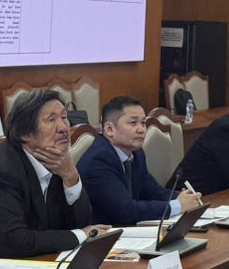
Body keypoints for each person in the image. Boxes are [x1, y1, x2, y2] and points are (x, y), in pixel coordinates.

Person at [0, 90, 96, 265]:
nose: (63, 128)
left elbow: (81, 223)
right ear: (25, 133)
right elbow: (14, 241)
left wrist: (71, 178)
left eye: (64, 117)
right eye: (51, 120)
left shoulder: (56, 162)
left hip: (35, 262)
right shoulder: (2, 171)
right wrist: (79, 235)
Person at [78, 95, 202, 224]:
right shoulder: (97, 162)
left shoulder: (136, 153)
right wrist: (177, 206)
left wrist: (183, 198)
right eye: (133, 123)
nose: (141, 130)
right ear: (110, 129)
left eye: (143, 123)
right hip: (107, 232)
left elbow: (153, 192)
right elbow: (127, 211)